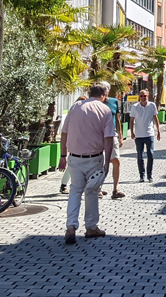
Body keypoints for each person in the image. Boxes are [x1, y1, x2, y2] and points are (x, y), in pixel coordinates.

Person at [57, 82, 116, 245]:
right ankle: (91, 227)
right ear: (104, 95)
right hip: (94, 157)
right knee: (91, 192)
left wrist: (63, 155)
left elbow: (64, 132)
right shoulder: (105, 110)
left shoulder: (76, 107)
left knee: (75, 191)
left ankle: (71, 226)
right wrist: (108, 161)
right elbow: (108, 138)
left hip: (74, 157)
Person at [129, 90, 161, 182]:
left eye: (145, 96)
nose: (143, 97)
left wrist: (158, 131)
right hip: (139, 135)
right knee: (140, 155)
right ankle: (141, 175)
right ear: (139, 96)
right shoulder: (135, 107)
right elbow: (131, 120)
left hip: (149, 134)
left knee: (150, 154)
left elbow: (155, 118)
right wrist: (132, 132)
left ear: (148, 96)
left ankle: (149, 175)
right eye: (142, 96)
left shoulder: (152, 105)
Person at [60, 96, 87, 194]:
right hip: (75, 144)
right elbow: (65, 132)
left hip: (79, 144)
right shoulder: (73, 115)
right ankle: (64, 185)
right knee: (72, 166)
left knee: (72, 166)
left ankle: (65, 185)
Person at [104, 88, 126, 199]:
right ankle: (98, 188)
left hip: (112, 135)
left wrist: (120, 135)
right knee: (100, 163)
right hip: (98, 136)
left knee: (116, 160)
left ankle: (115, 189)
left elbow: (117, 118)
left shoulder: (113, 101)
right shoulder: (95, 102)